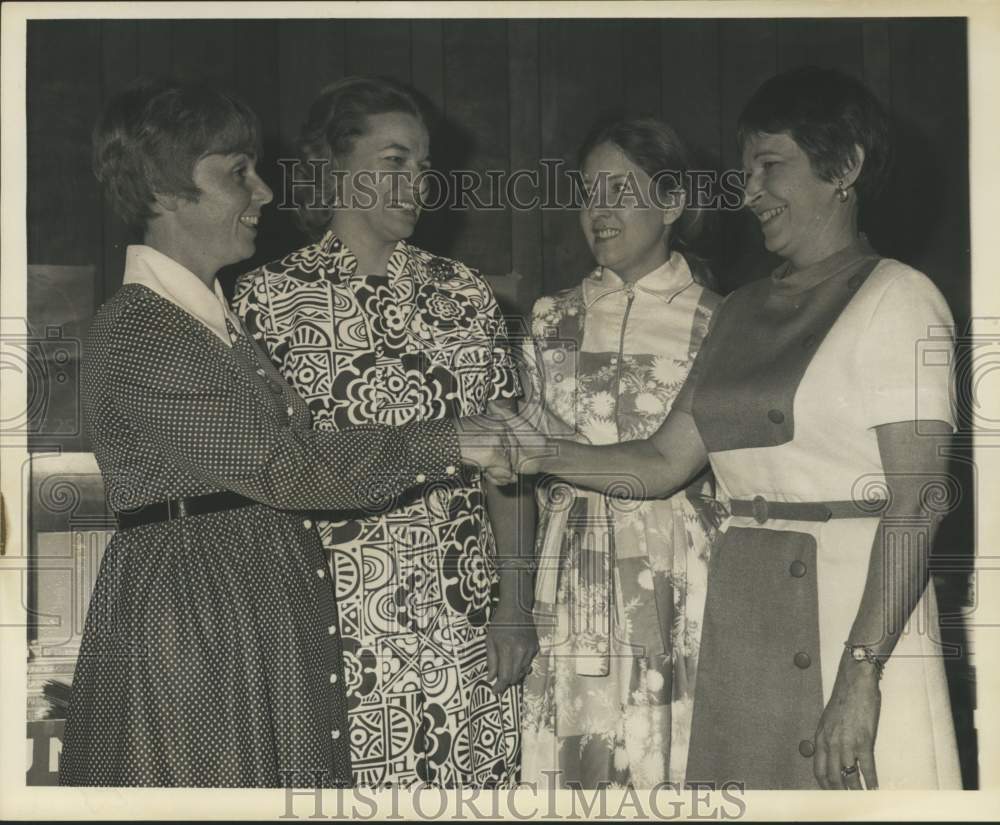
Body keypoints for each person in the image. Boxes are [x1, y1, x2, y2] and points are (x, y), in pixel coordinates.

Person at [511, 66, 961, 790]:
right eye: (747, 168)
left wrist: (861, 671)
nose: (748, 189)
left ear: (844, 166)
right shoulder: (741, 311)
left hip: (856, 616)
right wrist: (542, 452)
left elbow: (918, 500)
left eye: (770, 166)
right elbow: (661, 461)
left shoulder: (899, 299)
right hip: (746, 610)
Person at [59, 78, 510, 788]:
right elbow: (285, 468)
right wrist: (445, 440)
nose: (264, 192)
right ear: (165, 188)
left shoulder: (207, 316)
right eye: (237, 172)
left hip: (246, 609)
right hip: (198, 623)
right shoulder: (144, 329)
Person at [233, 75, 537, 788]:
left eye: (424, 166)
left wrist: (515, 603)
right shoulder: (266, 300)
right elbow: (262, 474)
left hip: (464, 625)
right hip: (330, 629)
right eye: (394, 161)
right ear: (334, 167)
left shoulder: (463, 294)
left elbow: (512, 466)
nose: (417, 183)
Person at [517, 118, 720, 788]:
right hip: (572, 568)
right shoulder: (548, 318)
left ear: (671, 202)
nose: (598, 210)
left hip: (680, 573)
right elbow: (514, 473)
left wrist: (540, 450)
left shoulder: (718, 319)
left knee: (672, 760)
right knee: (578, 762)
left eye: (619, 190)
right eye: (587, 192)